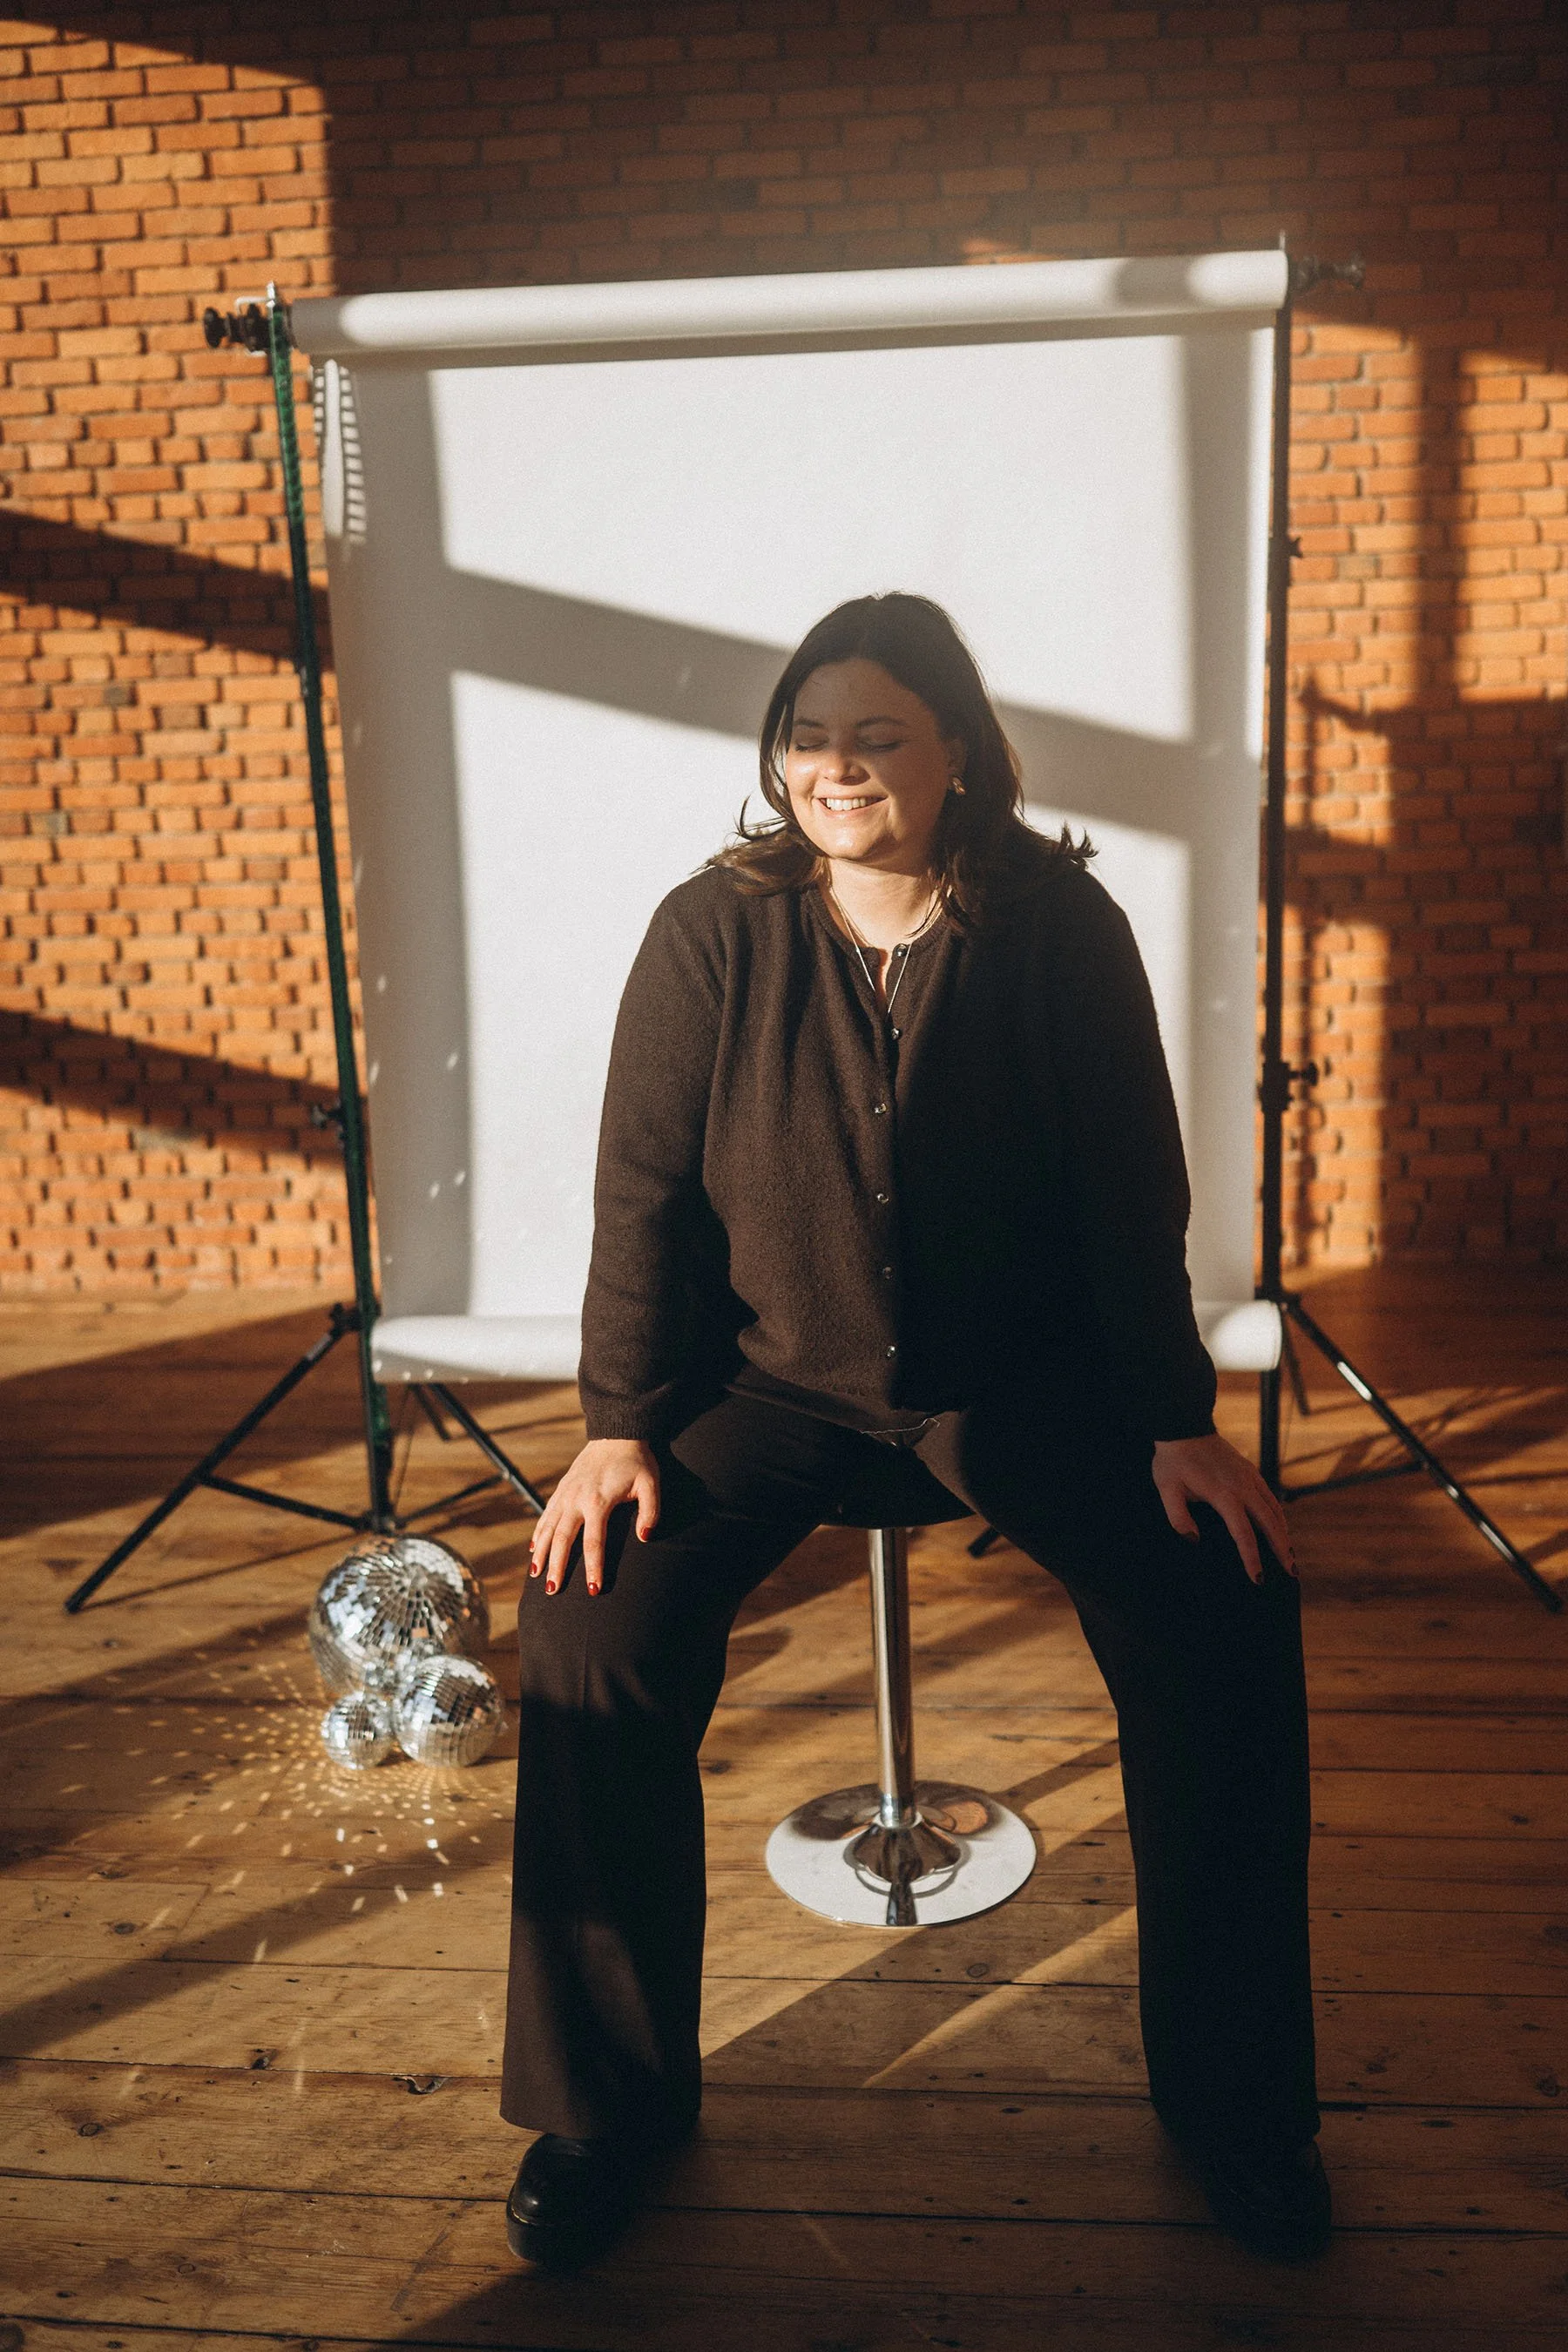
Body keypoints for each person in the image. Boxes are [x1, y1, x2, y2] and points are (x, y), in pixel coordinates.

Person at [501, 592, 1326, 2272]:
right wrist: (617, 1426)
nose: (838, 766)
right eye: (809, 736)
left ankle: (1240, 2112)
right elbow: (639, 1193)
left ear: (958, 749)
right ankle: (605, 2110)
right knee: (591, 1624)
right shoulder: (710, 931)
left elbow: (1131, 1195)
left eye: (878, 734)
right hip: (772, 1387)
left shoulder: (1060, 925)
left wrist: (1174, 1423)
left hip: (1022, 1388)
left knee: (1224, 1607)